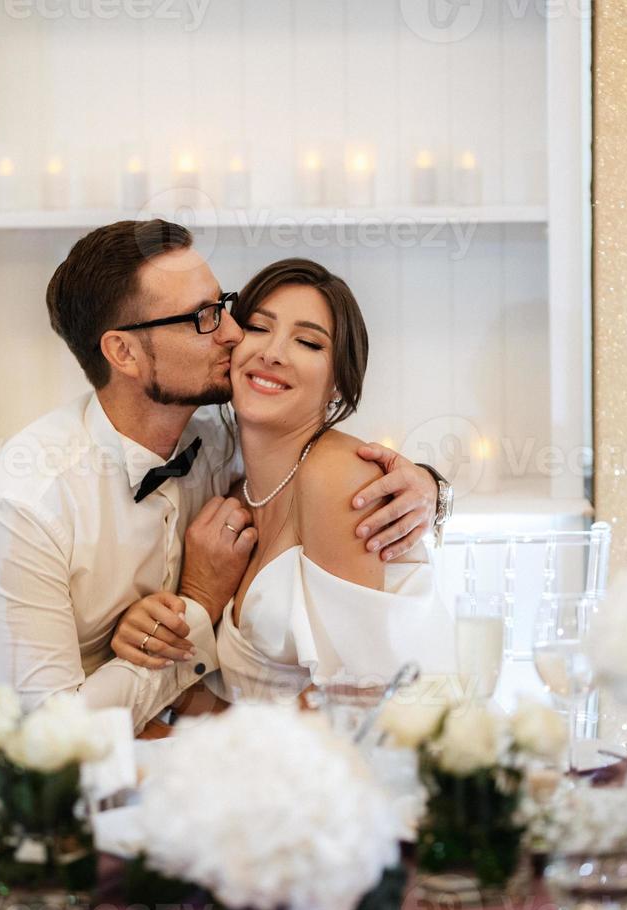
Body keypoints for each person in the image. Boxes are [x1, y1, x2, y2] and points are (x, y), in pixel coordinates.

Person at [0, 220, 448, 732]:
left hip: (188, 749)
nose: (233, 333)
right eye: (202, 317)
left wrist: (430, 488)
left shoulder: (225, 443)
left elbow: (361, 689)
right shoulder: (24, 503)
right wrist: (197, 605)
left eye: (222, 305)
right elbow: (51, 736)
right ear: (123, 353)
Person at [114, 258, 455, 704]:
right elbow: (240, 700)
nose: (273, 353)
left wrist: (435, 489)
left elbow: (356, 704)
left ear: (338, 381)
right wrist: (152, 633)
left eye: (309, 342)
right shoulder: (232, 488)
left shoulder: (336, 476)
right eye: (258, 328)